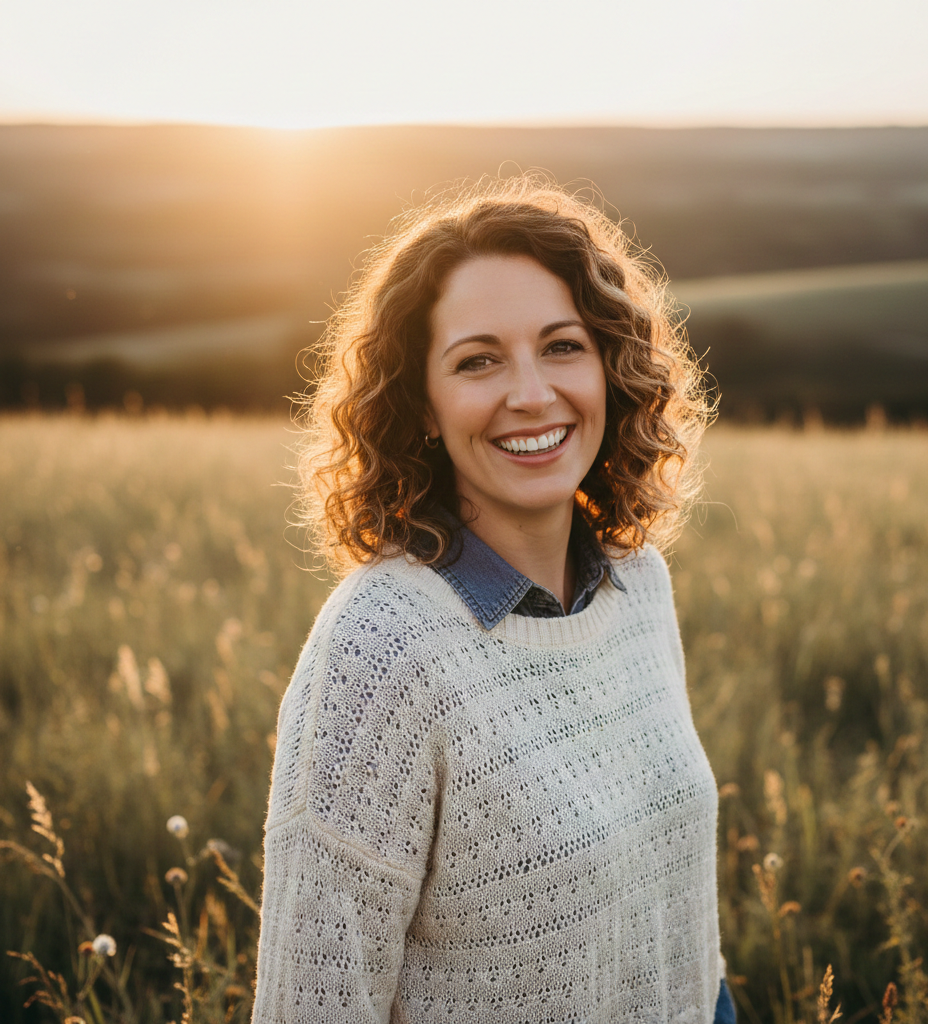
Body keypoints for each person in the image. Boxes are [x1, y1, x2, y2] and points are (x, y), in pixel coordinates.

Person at [251, 174, 735, 1023]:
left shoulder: (637, 583)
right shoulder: (383, 647)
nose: (532, 395)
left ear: (611, 369)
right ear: (424, 406)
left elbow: (678, 929)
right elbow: (314, 1002)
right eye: (478, 361)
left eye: (562, 346)